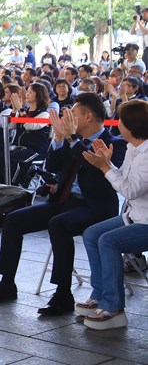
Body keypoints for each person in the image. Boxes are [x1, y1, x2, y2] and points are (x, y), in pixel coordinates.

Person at [0, 93, 125, 315]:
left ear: (88, 116)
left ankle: (63, 293)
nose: (70, 119)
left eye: (74, 114)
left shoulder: (114, 144)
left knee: (58, 224)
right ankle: (7, 283)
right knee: (13, 220)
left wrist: (70, 140)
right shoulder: (70, 139)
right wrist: (57, 138)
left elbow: (96, 169)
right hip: (65, 201)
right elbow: (54, 166)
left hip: (94, 207)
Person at [78, 99, 148, 330]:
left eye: (121, 120)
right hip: (133, 215)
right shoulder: (132, 148)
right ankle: (100, 293)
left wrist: (105, 167)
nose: (117, 124)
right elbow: (126, 182)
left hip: (145, 221)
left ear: (131, 125)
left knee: (108, 241)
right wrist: (108, 163)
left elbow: (130, 190)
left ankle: (114, 307)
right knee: (91, 234)